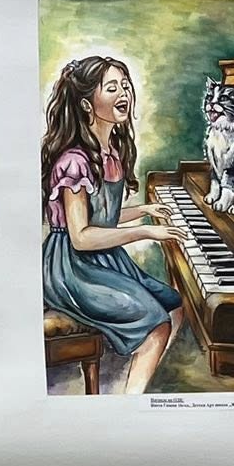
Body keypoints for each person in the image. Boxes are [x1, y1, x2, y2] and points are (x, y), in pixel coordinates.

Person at [39, 55, 188, 395]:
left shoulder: (112, 152)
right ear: (86, 104)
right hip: (72, 266)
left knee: (175, 306)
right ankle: (130, 404)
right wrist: (146, 231)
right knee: (156, 325)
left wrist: (145, 210)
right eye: (111, 88)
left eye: (125, 85)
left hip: (103, 257)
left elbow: (102, 218)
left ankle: (136, 382)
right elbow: (80, 236)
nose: (124, 93)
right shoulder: (74, 162)